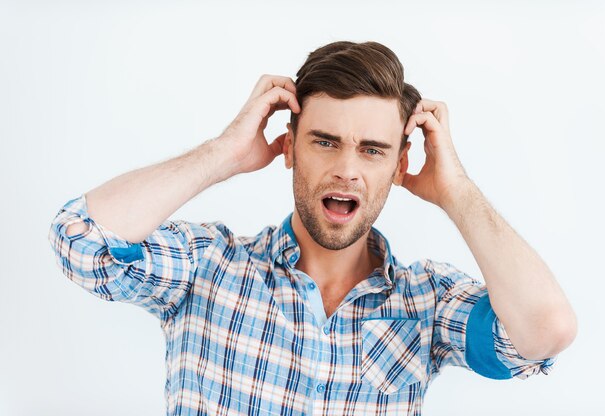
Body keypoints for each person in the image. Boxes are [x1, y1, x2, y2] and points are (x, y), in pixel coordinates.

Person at [48, 40, 577, 415]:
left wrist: (456, 191)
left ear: (399, 167)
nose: (348, 168)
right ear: (290, 146)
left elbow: (542, 333)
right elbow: (81, 238)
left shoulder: (428, 303)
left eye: (372, 150)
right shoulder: (207, 265)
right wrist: (223, 154)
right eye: (325, 141)